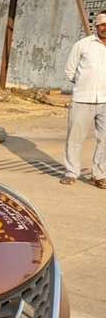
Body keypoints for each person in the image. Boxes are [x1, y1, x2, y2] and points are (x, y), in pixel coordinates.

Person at [62, 11, 106, 187]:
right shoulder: (83, 45)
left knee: (105, 140)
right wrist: (83, 84)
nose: (105, 28)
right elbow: (70, 70)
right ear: (96, 26)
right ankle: (72, 172)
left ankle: (99, 175)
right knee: (75, 138)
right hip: (82, 99)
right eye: (102, 24)